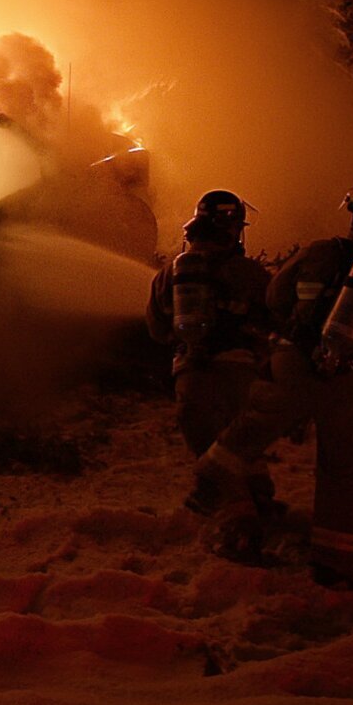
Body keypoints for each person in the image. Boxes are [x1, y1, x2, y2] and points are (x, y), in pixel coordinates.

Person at [187, 174, 353, 589]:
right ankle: (332, 560)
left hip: (291, 363)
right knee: (346, 465)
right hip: (345, 382)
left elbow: (276, 297)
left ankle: (208, 486)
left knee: (251, 425)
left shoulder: (320, 253)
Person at [145, 190, 275, 508]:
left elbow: (157, 328)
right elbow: (276, 315)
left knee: (206, 435)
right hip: (240, 367)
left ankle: (232, 497)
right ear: (234, 228)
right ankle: (248, 498)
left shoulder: (171, 272)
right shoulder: (250, 273)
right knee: (240, 437)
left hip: (189, 369)